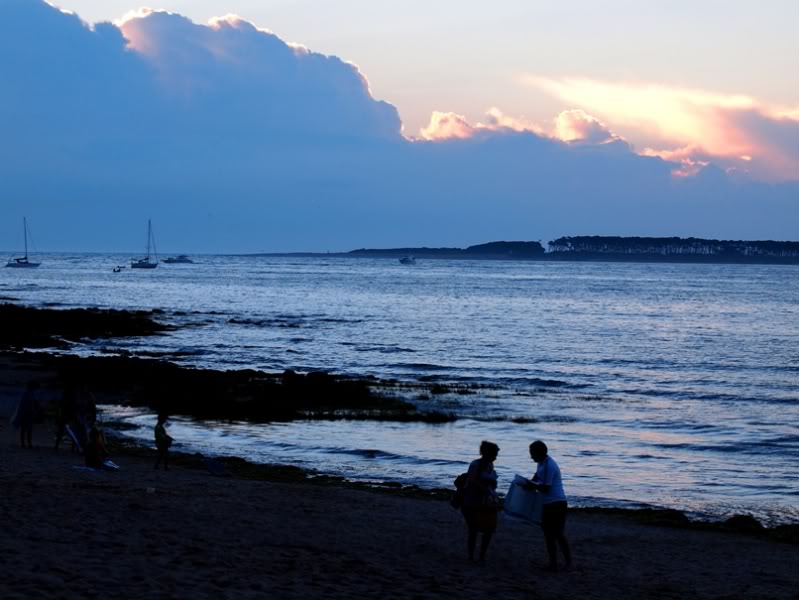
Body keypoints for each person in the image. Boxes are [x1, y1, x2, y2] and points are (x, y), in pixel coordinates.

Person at [526, 440, 572, 572]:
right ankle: (553, 563)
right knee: (548, 534)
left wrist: (531, 485)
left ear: (539, 453)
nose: (531, 457)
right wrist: (527, 483)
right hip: (547, 503)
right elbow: (536, 478)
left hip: (556, 503)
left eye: (532, 454)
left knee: (557, 534)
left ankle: (568, 563)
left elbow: (546, 488)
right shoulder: (541, 463)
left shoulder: (549, 465)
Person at [462, 440, 500, 562]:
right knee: (473, 529)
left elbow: (491, 483)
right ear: (487, 454)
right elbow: (472, 480)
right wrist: (485, 488)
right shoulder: (475, 465)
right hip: (471, 501)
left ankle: (481, 556)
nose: (496, 457)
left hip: (486, 502)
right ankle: (471, 557)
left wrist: (492, 486)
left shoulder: (490, 465)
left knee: (488, 530)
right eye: (494, 454)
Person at [13, 381, 40, 449]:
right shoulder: (29, 394)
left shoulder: (26, 393)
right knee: (28, 429)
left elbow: (23, 404)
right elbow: (31, 403)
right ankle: (27, 444)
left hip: (26, 413)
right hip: (28, 413)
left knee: (25, 429)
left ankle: (24, 444)